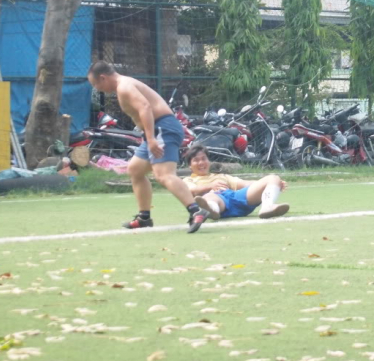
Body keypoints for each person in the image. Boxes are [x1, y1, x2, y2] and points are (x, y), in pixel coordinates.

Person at [87, 61, 210, 233]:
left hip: (162, 129)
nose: (97, 89)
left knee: (164, 175)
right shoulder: (124, 84)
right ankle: (144, 217)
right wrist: (149, 136)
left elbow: (145, 107)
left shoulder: (124, 87)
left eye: (95, 84)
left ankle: (196, 210)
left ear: (103, 77)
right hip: (156, 129)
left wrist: (151, 138)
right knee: (135, 170)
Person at [182, 145, 290, 220]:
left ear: (209, 161)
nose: (201, 162)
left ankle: (267, 207)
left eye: (203, 159)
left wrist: (271, 185)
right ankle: (211, 210)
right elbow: (191, 190)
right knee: (210, 196)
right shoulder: (188, 180)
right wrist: (210, 186)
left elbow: (245, 184)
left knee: (273, 178)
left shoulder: (221, 176)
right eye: (196, 160)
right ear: (190, 166)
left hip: (235, 197)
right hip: (219, 201)